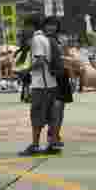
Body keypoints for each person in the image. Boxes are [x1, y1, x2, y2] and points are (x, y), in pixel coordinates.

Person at [20, 15, 62, 156]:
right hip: (51, 84)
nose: (24, 29)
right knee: (51, 116)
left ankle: (35, 145)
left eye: (25, 26)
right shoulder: (45, 38)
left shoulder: (37, 39)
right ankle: (52, 144)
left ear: (32, 26)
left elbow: (40, 60)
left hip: (41, 85)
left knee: (37, 115)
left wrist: (26, 70)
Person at [43, 17, 69, 151]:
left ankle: (56, 135)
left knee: (61, 109)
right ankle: (51, 136)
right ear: (44, 26)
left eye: (54, 25)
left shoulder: (62, 40)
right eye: (49, 25)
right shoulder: (42, 40)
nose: (51, 27)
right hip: (50, 77)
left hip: (63, 76)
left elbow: (66, 56)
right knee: (54, 108)